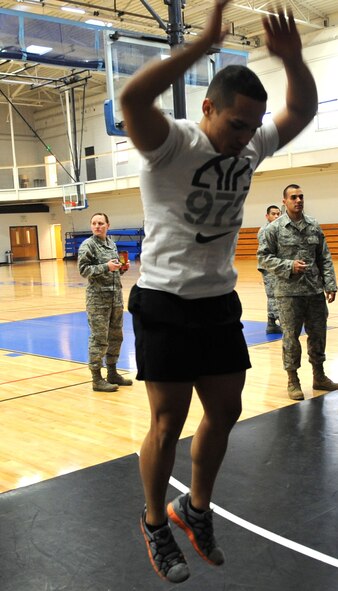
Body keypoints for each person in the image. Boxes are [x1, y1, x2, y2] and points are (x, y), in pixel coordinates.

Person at [120, 0, 317, 583]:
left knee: (226, 410)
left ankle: (195, 509)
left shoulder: (252, 144)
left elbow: (301, 107)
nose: (246, 137)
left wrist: (295, 60)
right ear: (208, 109)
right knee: (167, 421)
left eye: (253, 127)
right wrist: (202, 47)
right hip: (163, 299)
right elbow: (132, 100)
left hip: (217, 301)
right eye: (236, 124)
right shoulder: (171, 143)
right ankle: (156, 521)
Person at [257, 184, 338, 401]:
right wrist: (288, 266)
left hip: (313, 292)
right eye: (294, 197)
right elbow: (263, 258)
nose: (298, 200)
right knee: (291, 338)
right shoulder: (273, 229)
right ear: (284, 201)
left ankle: (319, 376)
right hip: (288, 293)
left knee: (318, 335)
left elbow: (324, 256)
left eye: (301, 196)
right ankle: (293, 380)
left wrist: (330, 283)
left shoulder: (313, 225)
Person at [78, 212, 133, 392]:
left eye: (101, 223)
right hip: (98, 301)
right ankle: (96, 379)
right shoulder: (88, 245)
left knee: (116, 337)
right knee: (99, 339)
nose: (97, 226)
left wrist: (121, 269)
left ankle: (112, 372)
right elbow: (84, 270)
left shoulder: (111, 244)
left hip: (115, 298)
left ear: (107, 225)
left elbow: (113, 272)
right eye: (94, 223)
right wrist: (105, 267)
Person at [257, 205, 282, 334]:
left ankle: (271, 324)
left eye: (278, 214)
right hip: (268, 267)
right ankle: (278, 321)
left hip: (277, 266)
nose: (277, 216)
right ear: (267, 216)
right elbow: (266, 252)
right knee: (273, 294)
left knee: (275, 293)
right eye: (273, 214)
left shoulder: (278, 229)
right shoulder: (265, 230)